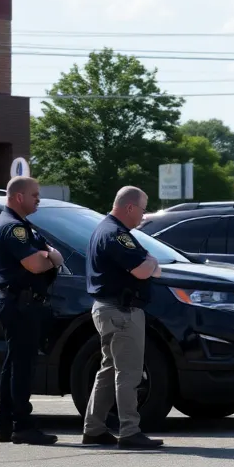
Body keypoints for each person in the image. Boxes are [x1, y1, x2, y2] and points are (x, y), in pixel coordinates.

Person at [83, 186, 164, 450]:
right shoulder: (117, 235)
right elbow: (145, 270)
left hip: (110, 310)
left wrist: (150, 264)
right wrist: (150, 261)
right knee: (128, 374)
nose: (143, 215)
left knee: (108, 372)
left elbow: (153, 270)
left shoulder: (107, 229)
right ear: (130, 207)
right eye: (142, 208)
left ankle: (94, 429)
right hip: (122, 312)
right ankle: (129, 430)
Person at [0, 176, 64, 445]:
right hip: (20, 303)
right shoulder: (13, 228)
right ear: (19, 197)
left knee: (14, 364)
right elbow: (36, 263)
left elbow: (46, 252)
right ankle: (22, 425)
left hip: (19, 301)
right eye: (35, 194)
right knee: (21, 366)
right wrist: (53, 259)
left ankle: (6, 424)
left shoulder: (21, 225)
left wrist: (49, 256)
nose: (38, 199)